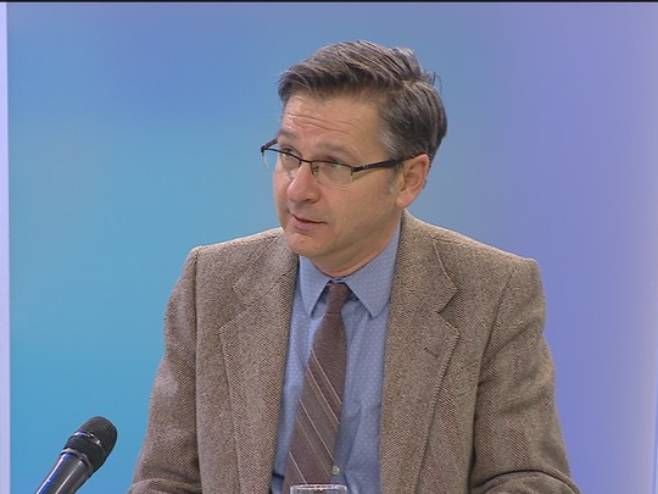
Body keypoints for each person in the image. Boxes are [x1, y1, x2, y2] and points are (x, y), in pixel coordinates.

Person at [129, 40, 579, 494]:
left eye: (333, 165)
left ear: (409, 179)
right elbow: (166, 479)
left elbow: (528, 479)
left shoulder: (493, 293)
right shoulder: (211, 282)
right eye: (288, 155)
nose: (298, 190)